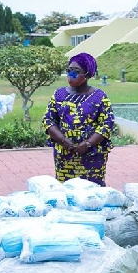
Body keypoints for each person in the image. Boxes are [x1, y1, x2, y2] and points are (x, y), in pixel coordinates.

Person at [42, 52, 115, 186]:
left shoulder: (99, 97)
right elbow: (49, 120)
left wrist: (87, 144)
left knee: (92, 192)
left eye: (76, 71)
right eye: (69, 70)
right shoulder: (59, 95)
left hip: (92, 157)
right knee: (67, 192)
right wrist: (64, 141)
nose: (71, 74)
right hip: (65, 156)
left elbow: (107, 124)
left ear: (87, 74)